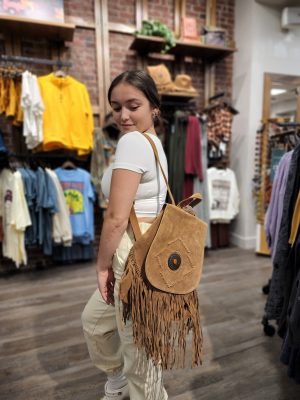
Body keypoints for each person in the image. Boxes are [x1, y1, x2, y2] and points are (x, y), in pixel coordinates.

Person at [81, 70, 169, 400]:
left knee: (140, 349)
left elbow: (117, 218)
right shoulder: (152, 142)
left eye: (133, 105)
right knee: (96, 321)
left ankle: (145, 393)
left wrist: (102, 266)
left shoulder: (133, 142)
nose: (123, 115)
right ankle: (119, 382)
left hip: (131, 250)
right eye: (116, 107)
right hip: (148, 247)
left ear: (154, 107)